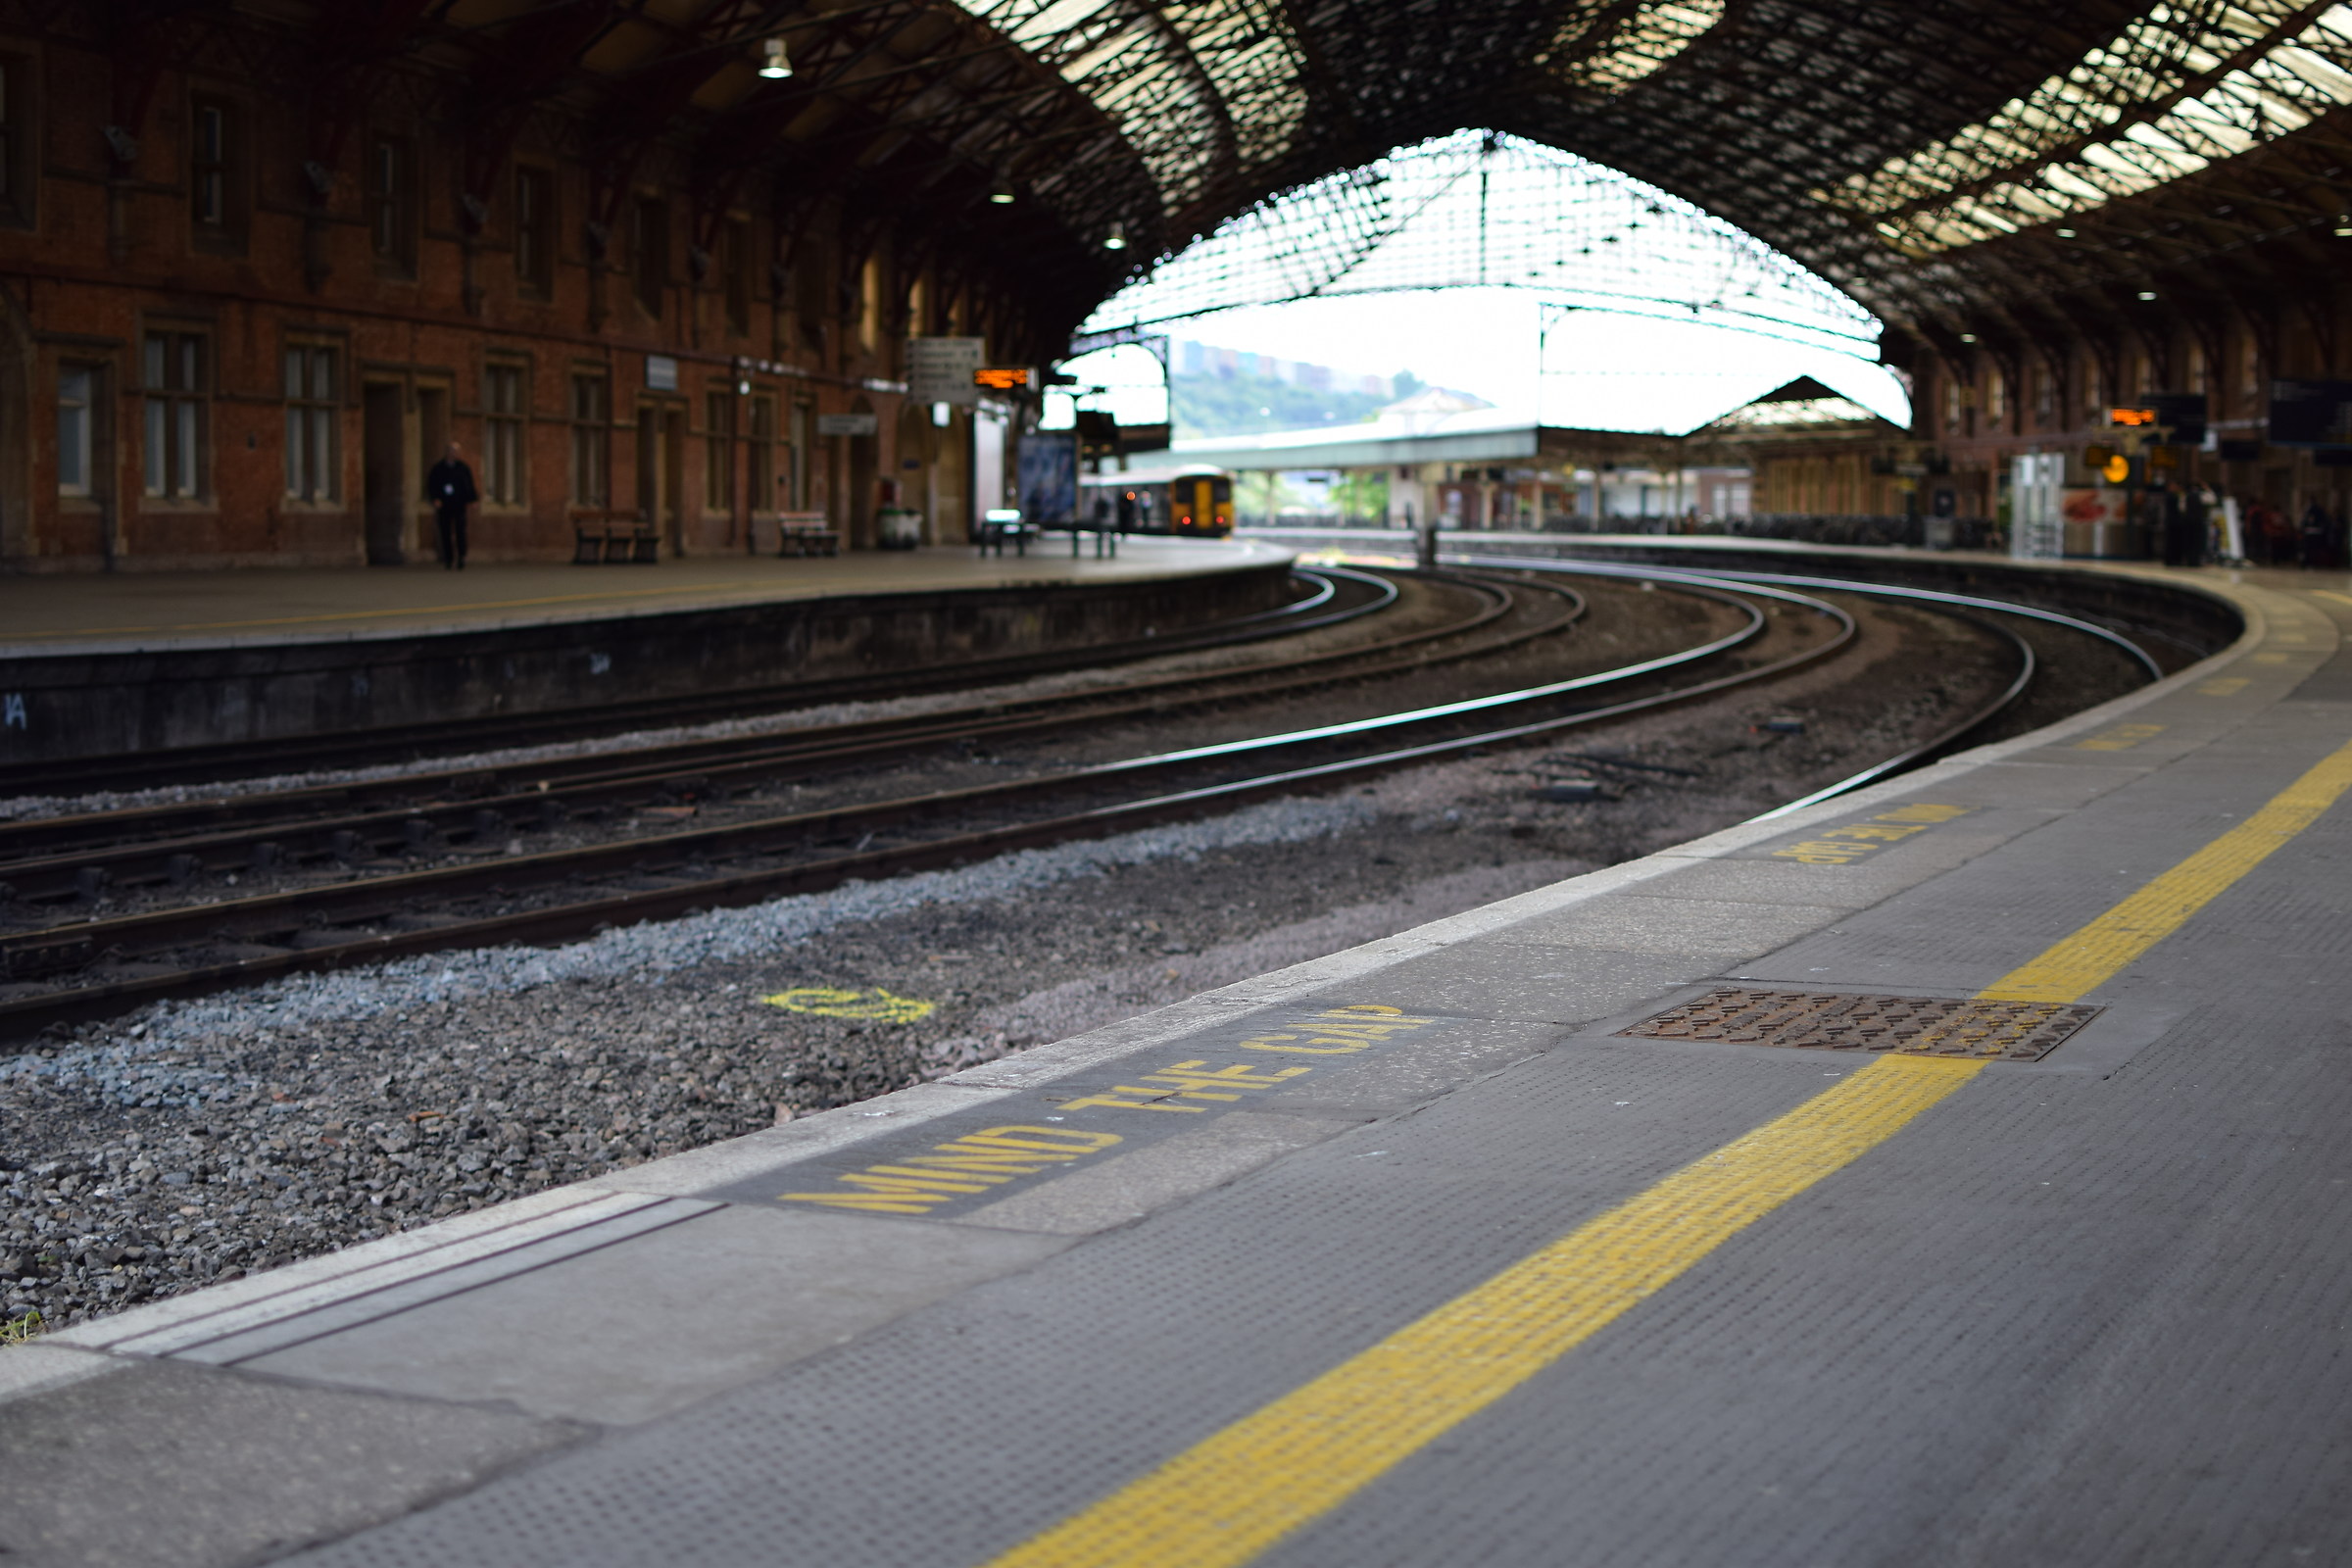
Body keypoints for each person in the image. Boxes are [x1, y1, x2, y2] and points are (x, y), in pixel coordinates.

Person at [426, 441, 479, 569]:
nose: (454, 454)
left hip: (459, 503)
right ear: (447, 453)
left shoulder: (463, 468)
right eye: (451, 451)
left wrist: (473, 500)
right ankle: (448, 558)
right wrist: (435, 499)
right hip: (444, 504)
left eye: (456, 452)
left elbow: (469, 484)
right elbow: (432, 485)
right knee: (445, 531)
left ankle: (461, 556)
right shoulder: (438, 468)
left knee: (460, 530)